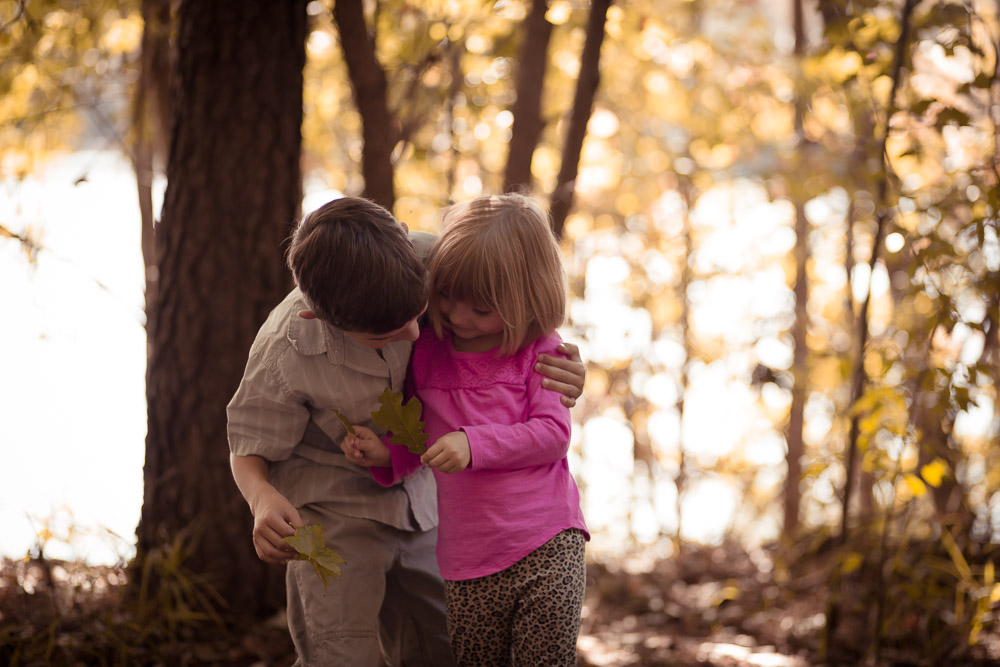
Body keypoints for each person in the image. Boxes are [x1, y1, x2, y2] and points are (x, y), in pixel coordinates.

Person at [226, 196, 585, 667]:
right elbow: (248, 442)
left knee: (440, 646)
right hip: (335, 504)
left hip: (430, 497)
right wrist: (261, 499)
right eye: (386, 335)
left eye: (419, 313)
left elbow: (522, 308)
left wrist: (565, 370)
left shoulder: (443, 264)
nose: (419, 336)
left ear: (404, 236)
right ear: (321, 316)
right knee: (340, 649)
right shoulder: (284, 348)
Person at [343, 193, 589, 666]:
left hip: (547, 542)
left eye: (479, 310)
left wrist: (472, 444)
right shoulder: (429, 349)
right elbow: (426, 441)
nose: (457, 317)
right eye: (447, 297)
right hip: (466, 561)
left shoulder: (541, 351)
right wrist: (388, 454)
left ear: (524, 299)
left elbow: (552, 434)